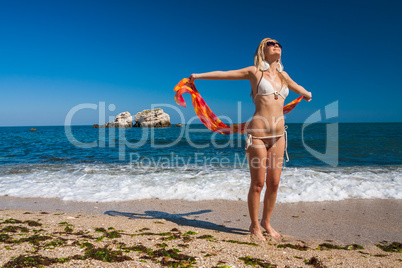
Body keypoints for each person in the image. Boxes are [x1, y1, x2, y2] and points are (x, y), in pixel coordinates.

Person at [188, 38, 312, 240]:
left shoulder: (284, 75)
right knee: (258, 184)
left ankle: (266, 222)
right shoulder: (254, 72)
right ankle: (254, 225)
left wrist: (307, 94)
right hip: (257, 136)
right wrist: (199, 76)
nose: (277, 45)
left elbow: (297, 87)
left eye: (279, 43)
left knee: (274, 183)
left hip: (279, 137)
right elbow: (225, 75)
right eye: (271, 43)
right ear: (263, 49)